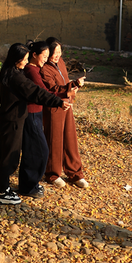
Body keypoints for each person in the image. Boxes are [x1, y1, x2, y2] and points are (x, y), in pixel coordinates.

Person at [0, 43, 70, 206]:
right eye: (25, 59)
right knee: (10, 155)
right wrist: (57, 101)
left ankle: (2, 186)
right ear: (17, 59)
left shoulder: (9, 70)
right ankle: (3, 191)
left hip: (8, 118)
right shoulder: (16, 76)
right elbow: (35, 91)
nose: (27, 62)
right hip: (12, 120)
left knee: (4, 152)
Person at [20, 40, 75, 198]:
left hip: (36, 111)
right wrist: (60, 100)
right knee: (39, 149)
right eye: (44, 56)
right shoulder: (32, 71)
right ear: (35, 55)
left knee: (35, 149)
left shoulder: (36, 68)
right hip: (31, 113)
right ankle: (30, 184)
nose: (46, 59)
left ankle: (30, 184)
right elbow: (42, 92)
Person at [41, 37, 88, 189]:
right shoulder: (44, 68)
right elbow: (53, 89)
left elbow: (64, 84)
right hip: (54, 106)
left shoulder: (60, 63)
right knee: (54, 140)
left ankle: (75, 173)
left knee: (70, 139)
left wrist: (74, 89)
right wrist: (73, 85)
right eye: (55, 53)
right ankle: (53, 174)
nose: (57, 55)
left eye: (60, 52)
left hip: (67, 104)